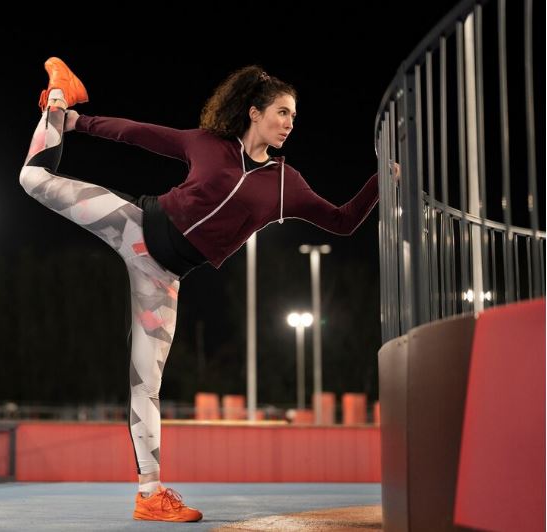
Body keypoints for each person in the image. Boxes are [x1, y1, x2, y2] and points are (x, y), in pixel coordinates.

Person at [19, 57, 386, 522]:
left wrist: (380, 180)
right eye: (282, 112)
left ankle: (149, 495)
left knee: (145, 383)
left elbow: (342, 221)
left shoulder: (286, 185)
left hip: (164, 275)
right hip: (134, 224)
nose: (290, 123)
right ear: (254, 111)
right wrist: (77, 121)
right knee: (32, 179)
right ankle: (58, 96)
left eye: (294, 116)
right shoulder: (208, 144)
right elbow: (139, 133)